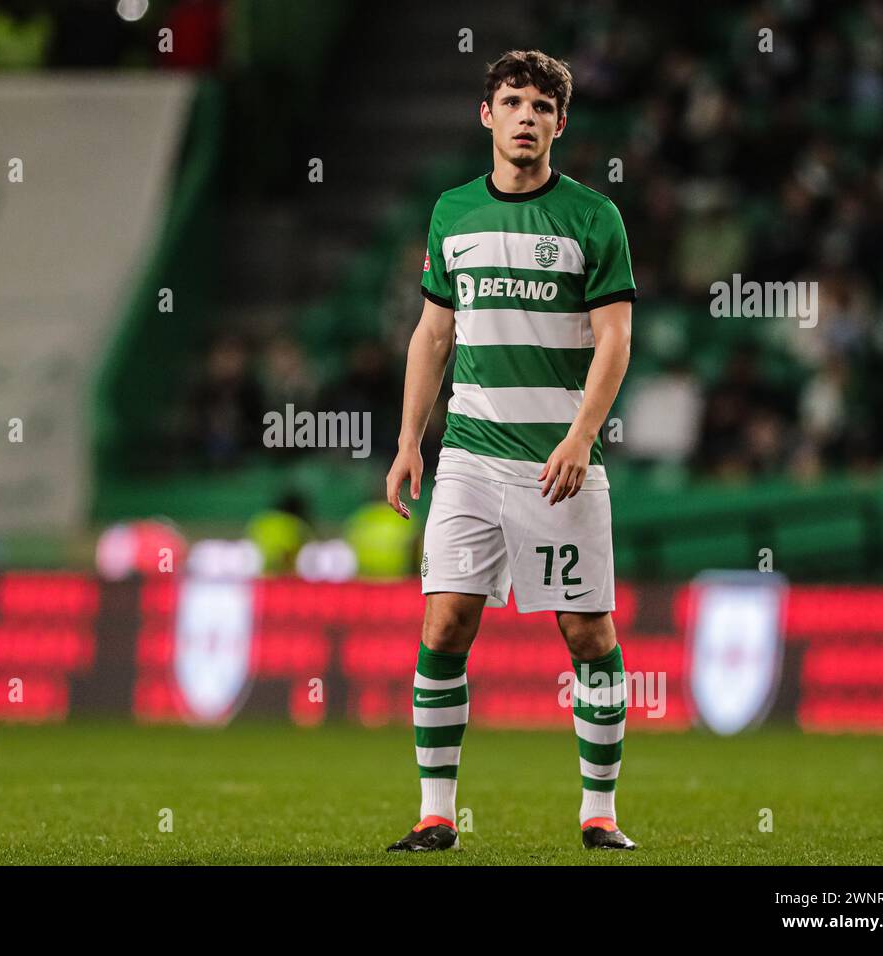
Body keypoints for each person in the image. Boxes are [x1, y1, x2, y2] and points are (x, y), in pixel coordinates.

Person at [384, 50, 637, 852]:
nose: (526, 117)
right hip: (467, 453)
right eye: (513, 102)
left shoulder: (594, 216)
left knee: (587, 634)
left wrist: (582, 435)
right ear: (486, 115)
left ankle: (599, 813)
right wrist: (407, 441)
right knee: (447, 622)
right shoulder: (452, 212)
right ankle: (435, 815)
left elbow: (616, 338)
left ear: (561, 124)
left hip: (557, 464)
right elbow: (433, 333)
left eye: (541, 107)